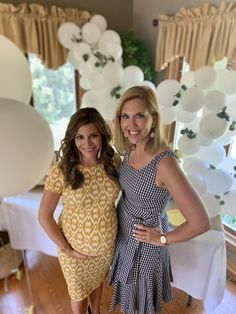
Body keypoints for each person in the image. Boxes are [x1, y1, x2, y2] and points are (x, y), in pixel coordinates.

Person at [108, 86, 210, 314]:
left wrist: (163, 239)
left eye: (139, 116)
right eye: (125, 116)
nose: (131, 124)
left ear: (153, 119)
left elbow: (200, 222)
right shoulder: (130, 151)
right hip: (125, 237)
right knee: (129, 300)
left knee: (143, 305)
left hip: (146, 245)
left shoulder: (164, 162)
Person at [38, 107, 121, 314]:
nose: (87, 143)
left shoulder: (113, 163)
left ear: (102, 135)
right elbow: (44, 216)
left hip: (105, 250)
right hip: (74, 254)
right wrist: (67, 249)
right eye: (80, 137)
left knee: (97, 284)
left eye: (93, 136)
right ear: (72, 139)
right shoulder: (62, 170)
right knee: (78, 296)